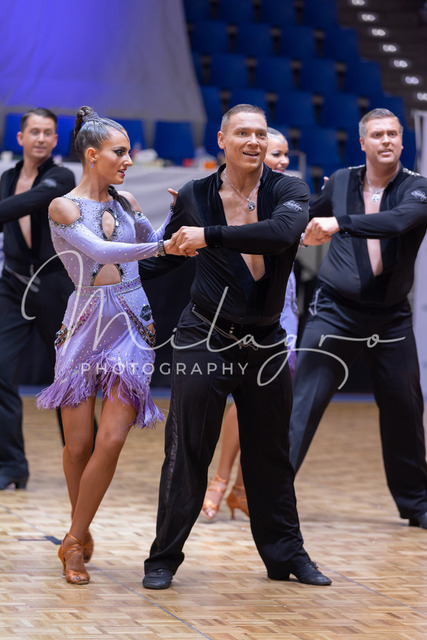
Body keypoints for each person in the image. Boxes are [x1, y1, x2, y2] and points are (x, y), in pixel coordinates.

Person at [139, 104, 332, 590]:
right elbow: (167, 257)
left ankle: (286, 556)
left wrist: (209, 235)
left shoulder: (289, 189)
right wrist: (126, 252)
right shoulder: (195, 194)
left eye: (260, 133)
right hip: (204, 335)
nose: (253, 141)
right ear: (222, 140)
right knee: (187, 451)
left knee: (271, 454)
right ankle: (162, 558)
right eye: (242, 132)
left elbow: (282, 234)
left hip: (265, 340)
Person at [37, 106, 180, 585]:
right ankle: (79, 525)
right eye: (121, 152)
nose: (129, 161)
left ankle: (74, 539)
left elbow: (152, 242)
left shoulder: (127, 201)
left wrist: (176, 219)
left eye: (129, 152)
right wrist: (162, 246)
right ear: (92, 155)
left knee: (112, 438)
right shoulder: (63, 207)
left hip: (132, 326)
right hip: (83, 327)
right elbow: (101, 252)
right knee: (77, 445)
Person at [289, 108, 427, 530]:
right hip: (335, 311)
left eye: (393, 134)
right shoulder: (341, 181)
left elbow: (397, 222)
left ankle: (417, 505)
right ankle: (271, 496)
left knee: (405, 406)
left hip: (391, 318)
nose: (386, 140)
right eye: (378, 134)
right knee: (303, 402)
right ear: (363, 142)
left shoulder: (418, 188)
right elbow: (304, 216)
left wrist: (338, 223)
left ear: (402, 141)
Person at [201, 127, 299, 521]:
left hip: (283, 305)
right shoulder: (234, 197)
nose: (282, 161)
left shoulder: (287, 194)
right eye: (276, 154)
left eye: (285, 154)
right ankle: (220, 479)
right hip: (243, 308)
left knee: (270, 407)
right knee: (242, 401)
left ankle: (240, 489)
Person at [0, 107, 76, 491]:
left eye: (48, 132)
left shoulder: (60, 177)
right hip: (13, 285)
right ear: (21, 137)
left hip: (53, 287)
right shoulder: (7, 178)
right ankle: (12, 465)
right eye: (35, 131)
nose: (42, 138)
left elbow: (31, 202)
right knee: (0, 370)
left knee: (67, 376)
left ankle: (81, 460)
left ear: (55, 139)